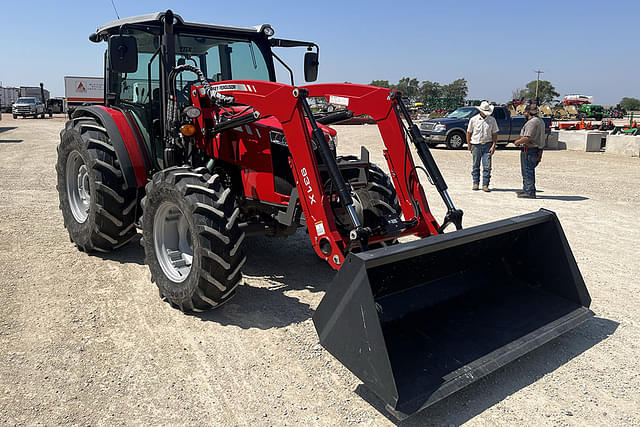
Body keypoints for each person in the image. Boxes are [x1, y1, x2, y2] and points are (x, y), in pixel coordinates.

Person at [514, 104, 546, 198]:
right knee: (528, 170)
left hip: (530, 149)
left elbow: (528, 137)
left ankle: (529, 192)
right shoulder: (540, 121)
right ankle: (526, 189)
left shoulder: (532, 122)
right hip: (536, 149)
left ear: (527, 112)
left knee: (528, 170)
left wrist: (517, 142)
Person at [466, 101, 499, 192]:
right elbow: (469, 132)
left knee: (487, 166)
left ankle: (485, 185)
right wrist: (469, 144)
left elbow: (495, 133)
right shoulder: (473, 119)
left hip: (488, 144)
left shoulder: (492, 120)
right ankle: (475, 183)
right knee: (475, 165)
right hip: (476, 144)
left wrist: (494, 145)